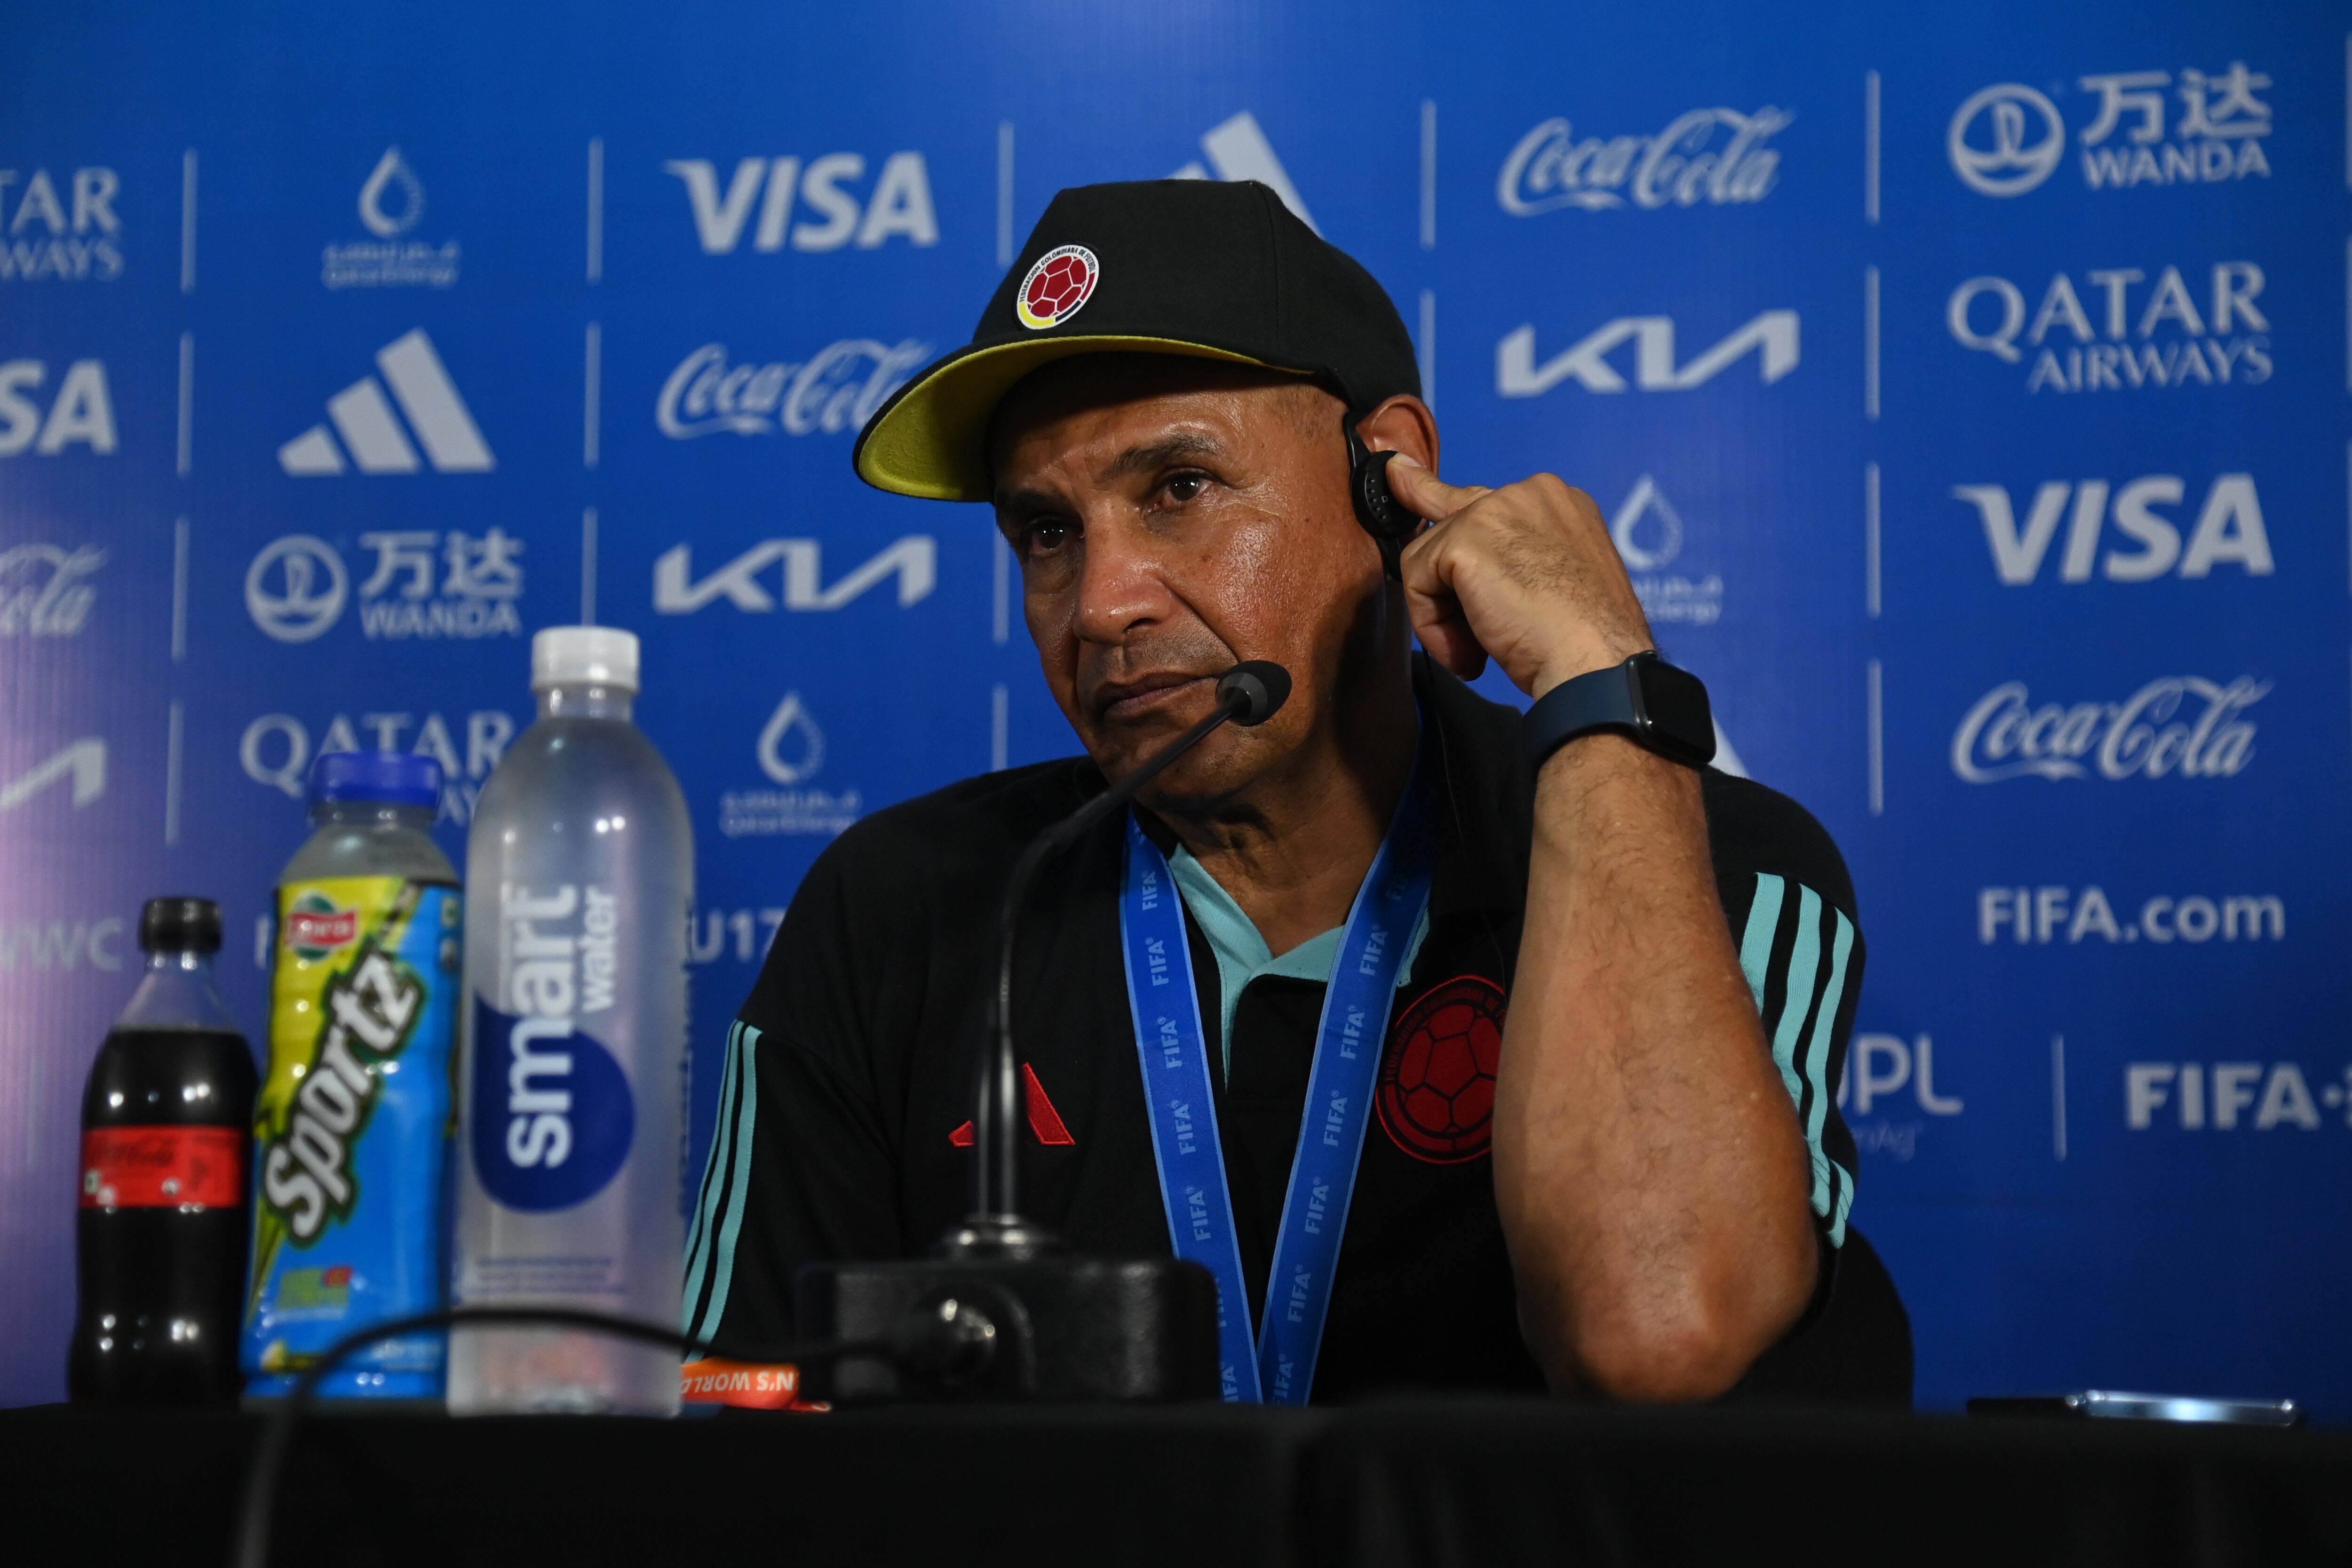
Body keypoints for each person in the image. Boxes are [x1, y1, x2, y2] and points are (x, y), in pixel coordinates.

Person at [683, 179, 1909, 1404]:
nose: (1104, 603)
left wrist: (1597, 687)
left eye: (1179, 489)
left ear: (1393, 477)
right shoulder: (909, 908)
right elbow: (734, 1454)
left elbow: (1653, 1330)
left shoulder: (1710, 863)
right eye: (1048, 533)